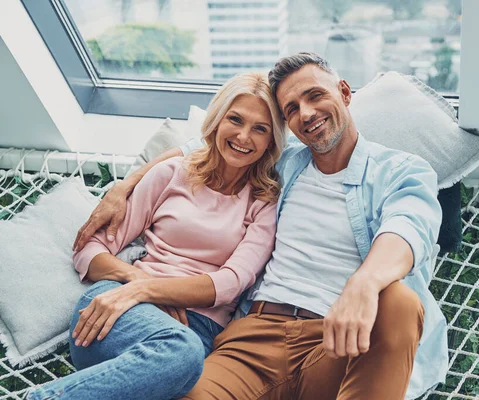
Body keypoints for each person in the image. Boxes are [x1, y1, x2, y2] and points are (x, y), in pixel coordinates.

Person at [73, 52, 449, 400]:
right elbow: (204, 147)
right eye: (292, 109)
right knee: (184, 386)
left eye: (315, 96)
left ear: (345, 93)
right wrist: (125, 184)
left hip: (337, 341)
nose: (306, 113)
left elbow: (408, 228)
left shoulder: (400, 170)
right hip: (252, 339)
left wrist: (364, 283)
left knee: (397, 302)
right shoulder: (281, 165)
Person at [27, 72, 287, 400]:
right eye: (235, 119)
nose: (244, 136)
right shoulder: (171, 174)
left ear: (272, 140)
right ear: (217, 120)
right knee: (183, 353)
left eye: (260, 128)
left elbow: (231, 283)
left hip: (195, 331)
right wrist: (136, 284)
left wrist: (154, 291)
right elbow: (89, 251)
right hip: (114, 310)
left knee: (182, 356)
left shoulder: (265, 202)